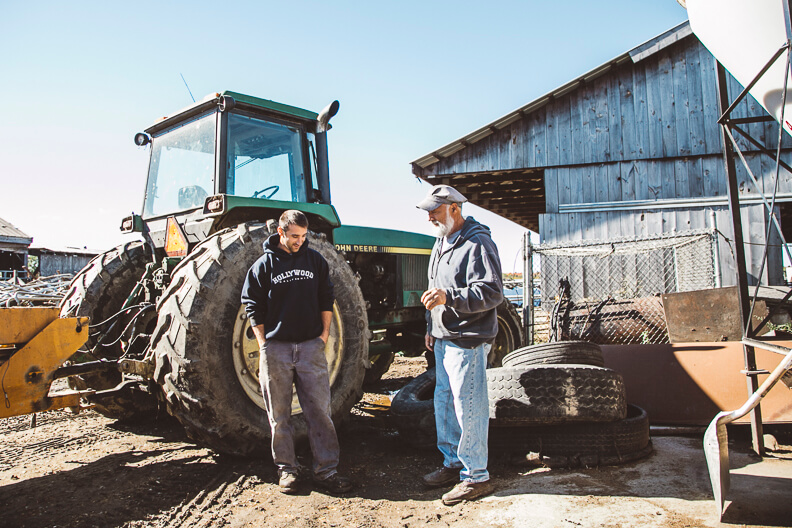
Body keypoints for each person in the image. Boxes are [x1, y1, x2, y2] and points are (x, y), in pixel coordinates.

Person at [241, 210, 353, 495]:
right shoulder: (263, 266)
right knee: (279, 416)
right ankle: (287, 469)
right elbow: (252, 304)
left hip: (310, 348)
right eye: (294, 237)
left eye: (303, 237)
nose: (299, 242)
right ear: (280, 232)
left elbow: (326, 297)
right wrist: (264, 342)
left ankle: (326, 470)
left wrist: (324, 335)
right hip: (276, 350)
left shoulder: (315, 261)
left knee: (320, 412)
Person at [416, 184, 503, 505]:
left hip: (468, 340)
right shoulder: (441, 242)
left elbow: (493, 292)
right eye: (427, 213)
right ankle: (453, 462)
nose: (429, 218)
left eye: (434, 212)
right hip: (442, 337)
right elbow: (433, 288)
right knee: (445, 403)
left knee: (469, 406)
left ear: (454, 208)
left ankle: (476, 475)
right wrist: (430, 325)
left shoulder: (478, 242)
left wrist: (449, 298)